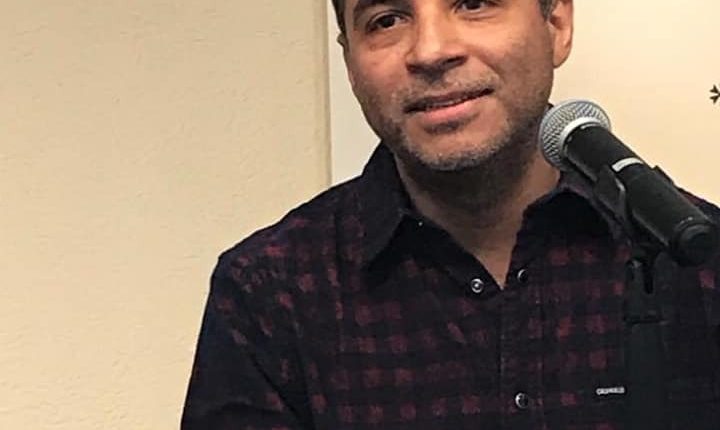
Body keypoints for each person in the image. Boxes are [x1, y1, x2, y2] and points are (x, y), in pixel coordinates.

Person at [181, 0, 720, 428]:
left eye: (474, 3)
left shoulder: (698, 261)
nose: (432, 50)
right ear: (350, 62)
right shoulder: (270, 292)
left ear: (556, 22)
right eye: (387, 19)